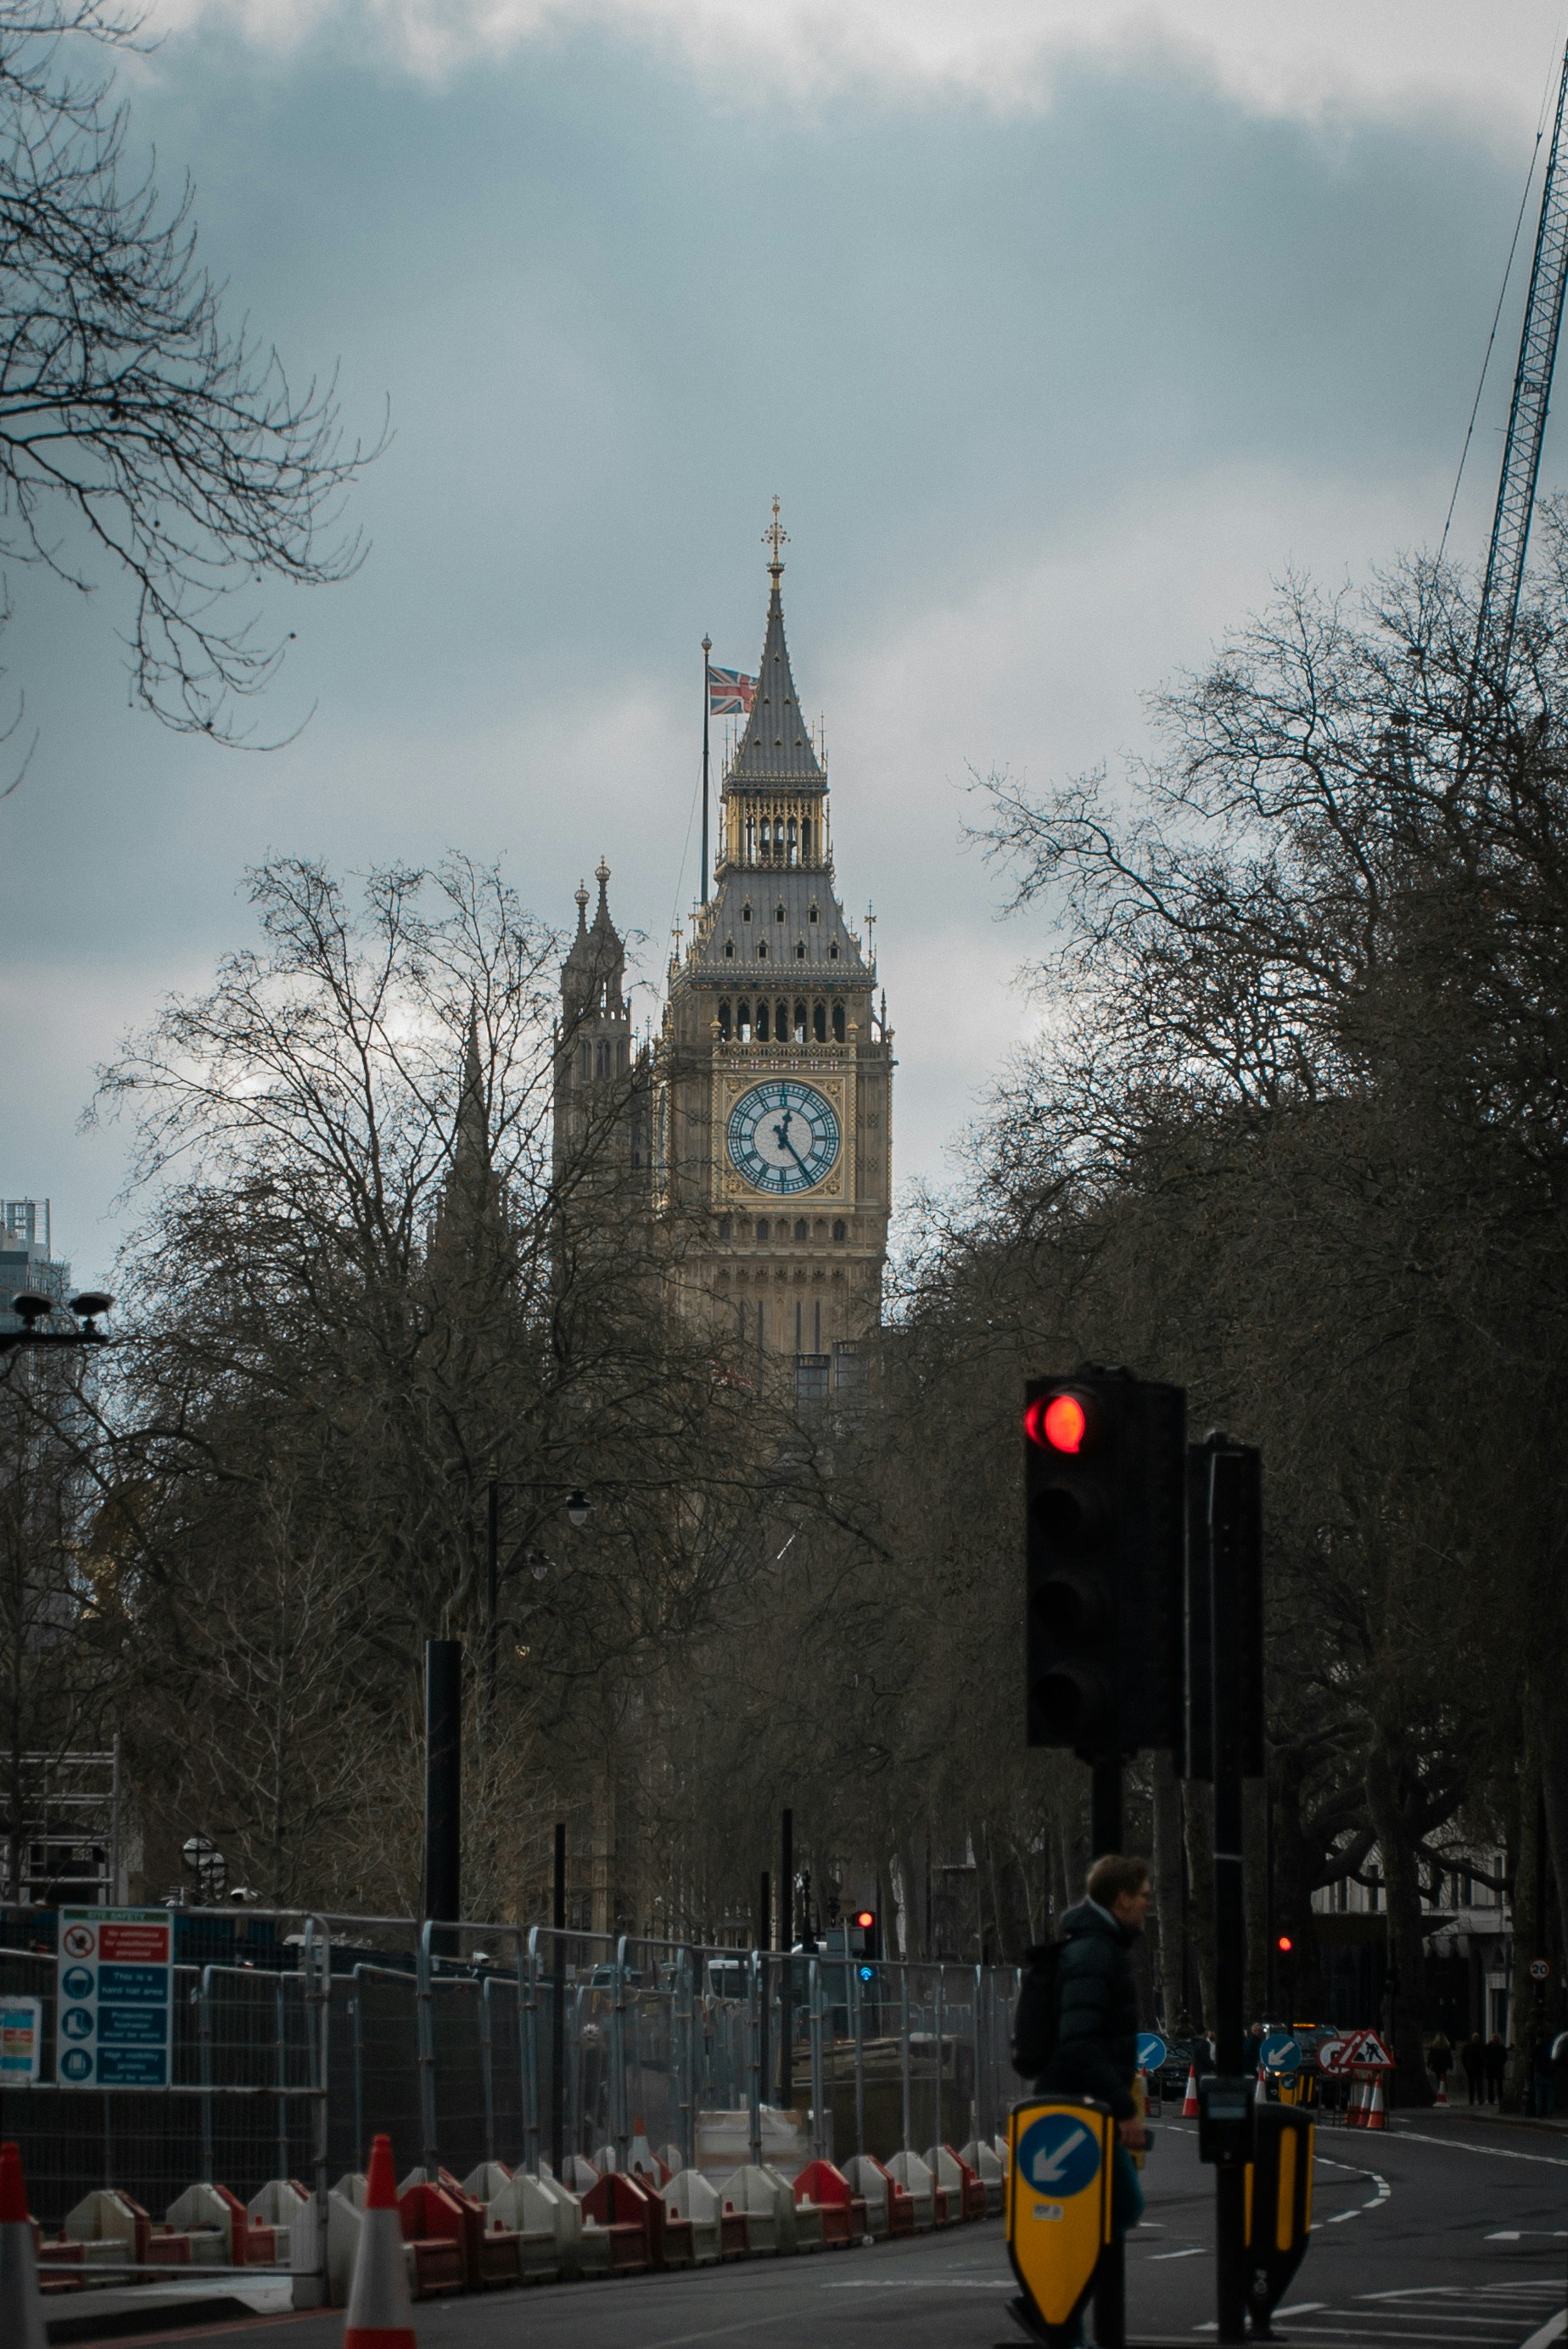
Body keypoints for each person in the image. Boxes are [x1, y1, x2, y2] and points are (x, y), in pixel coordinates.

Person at [1029, 1853, 1152, 2346]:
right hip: (1078, 2107)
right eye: (1143, 1894)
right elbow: (1079, 2041)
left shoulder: (1094, 1948)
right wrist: (1122, 2108)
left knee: (1102, 2212)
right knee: (1121, 2206)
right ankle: (1054, 2313)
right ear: (1120, 1899)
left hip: (1078, 2102)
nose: (1147, 1903)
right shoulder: (1096, 1953)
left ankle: (1059, 2319)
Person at [1483, 2031, 1508, 2105]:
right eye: (1494, 2037)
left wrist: (1501, 2063)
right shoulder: (1488, 2046)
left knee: (1499, 2084)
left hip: (1498, 2067)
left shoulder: (1501, 2047)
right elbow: (1485, 2056)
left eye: (1496, 2038)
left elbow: (1505, 2057)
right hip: (1491, 2067)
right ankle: (1491, 2099)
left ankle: (1500, 2098)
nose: (1495, 2039)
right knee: (1491, 2084)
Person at [1460, 2032, 1484, 2106]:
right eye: (1475, 2037)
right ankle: (1472, 2099)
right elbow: (1463, 2058)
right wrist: (1466, 2067)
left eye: (1477, 2037)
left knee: (1479, 2085)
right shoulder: (1468, 2047)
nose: (1476, 2039)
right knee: (1472, 2085)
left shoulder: (1481, 2046)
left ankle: (1479, 2098)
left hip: (1479, 2068)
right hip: (1471, 2068)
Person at [1428, 2032, 1453, 2097]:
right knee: (1443, 2076)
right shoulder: (1446, 2046)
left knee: (1438, 2077)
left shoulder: (1434, 2046)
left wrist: (1429, 2064)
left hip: (1436, 2064)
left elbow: (1430, 2056)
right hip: (1444, 2064)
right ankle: (1444, 2088)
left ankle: (1440, 2089)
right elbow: (1449, 2057)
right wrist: (1451, 2066)